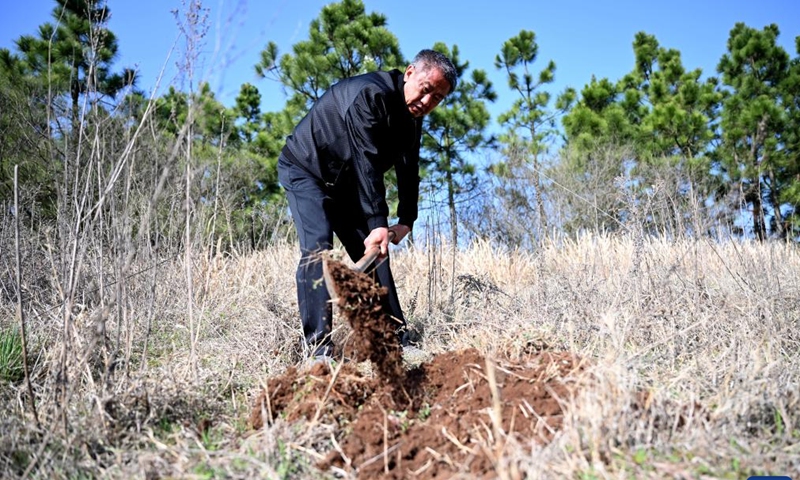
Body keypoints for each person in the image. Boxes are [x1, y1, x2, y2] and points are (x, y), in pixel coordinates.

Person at [277, 49, 457, 361]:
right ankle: (318, 351)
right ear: (410, 73)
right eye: (426, 90)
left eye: (437, 99)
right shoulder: (371, 94)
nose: (428, 103)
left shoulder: (412, 119)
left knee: (374, 255)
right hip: (306, 169)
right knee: (318, 248)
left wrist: (406, 219)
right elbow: (367, 161)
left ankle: (397, 338)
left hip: (344, 183)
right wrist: (377, 224)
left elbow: (408, 166)